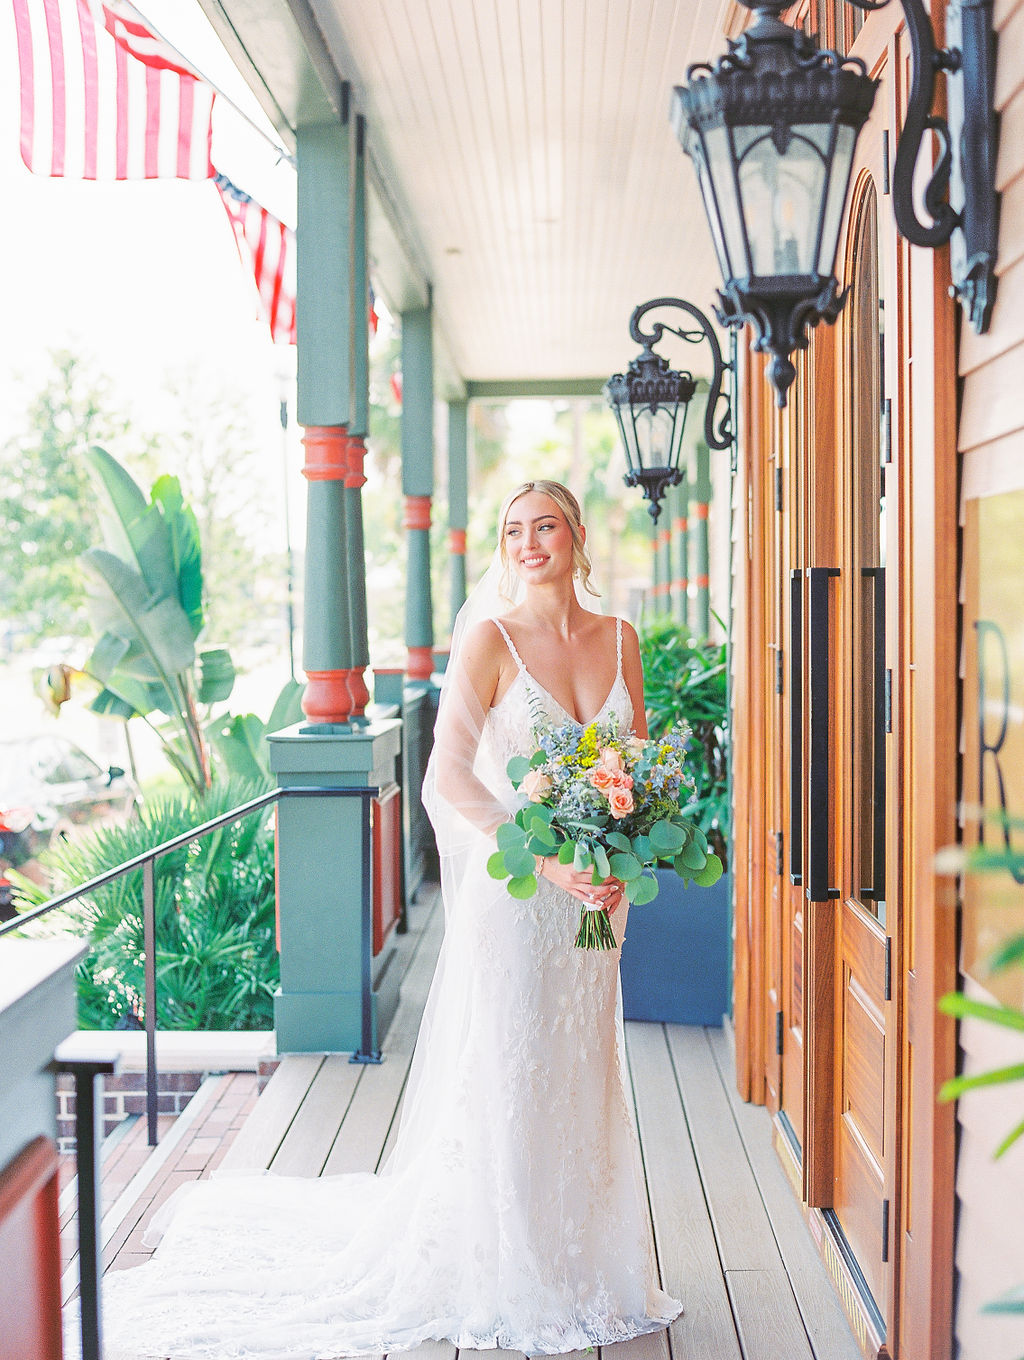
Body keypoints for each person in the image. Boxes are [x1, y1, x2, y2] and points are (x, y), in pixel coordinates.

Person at [82, 480, 680, 1360]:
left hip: (597, 904)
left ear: (576, 534)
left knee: (583, 1067)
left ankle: (581, 1258)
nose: (527, 542)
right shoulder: (491, 639)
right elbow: (448, 779)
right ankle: (512, 1270)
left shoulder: (622, 639)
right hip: (521, 898)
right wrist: (549, 857)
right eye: (513, 529)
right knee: (513, 1068)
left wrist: (619, 856)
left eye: (544, 525)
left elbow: (637, 761)